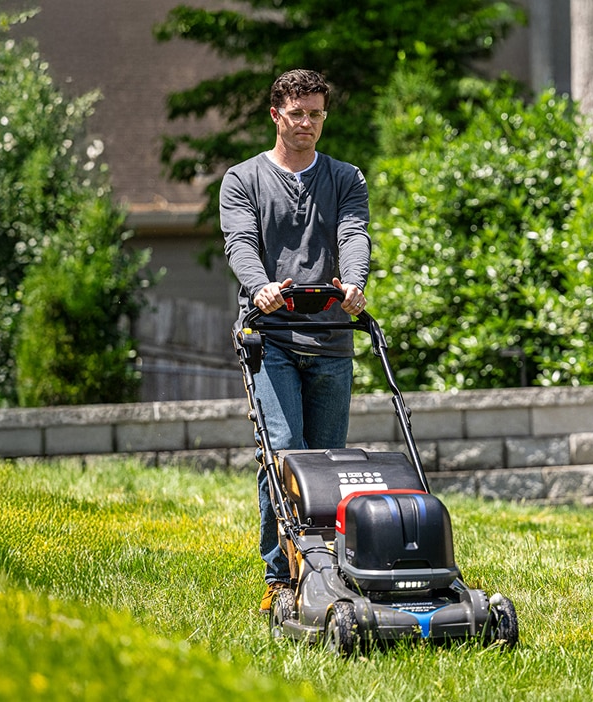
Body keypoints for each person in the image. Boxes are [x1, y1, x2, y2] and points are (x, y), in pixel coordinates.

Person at [220, 68, 370, 612]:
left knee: (330, 464)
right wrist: (258, 287)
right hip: (271, 335)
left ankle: (330, 569)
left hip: (330, 333)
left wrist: (354, 282)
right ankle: (281, 577)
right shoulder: (243, 179)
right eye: (297, 114)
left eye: (316, 115)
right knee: (282, 454)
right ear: (275, 116)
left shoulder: (345, 177)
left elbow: (353, 233)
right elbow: (240, 242)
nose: (307, 123)